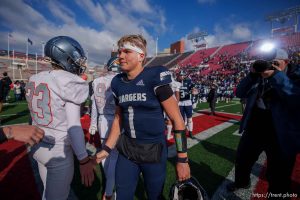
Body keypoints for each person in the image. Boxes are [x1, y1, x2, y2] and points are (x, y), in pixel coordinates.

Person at [95, 34, 191, 200]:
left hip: (153, 150)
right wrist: (106, 149)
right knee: (122, 196)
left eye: (126, 51)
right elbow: (118, 119)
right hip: (127, 149)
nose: (120, 56)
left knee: (155, 196)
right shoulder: (117, 82)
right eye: (119, 52)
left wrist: (182, 159)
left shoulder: (155, 76)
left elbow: (177, 120)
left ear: (141, 56)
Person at [25, 36, 95, 200]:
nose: (79, 62)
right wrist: (84, 160)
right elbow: (73, 126)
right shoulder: (69, 81)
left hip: (38, 144)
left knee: (47, 193)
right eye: (76, 57)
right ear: (66, 56)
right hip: (57, 149)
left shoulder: (36, 78)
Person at [227, 47, 300, 196]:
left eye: (274, 62)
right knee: (242, 159)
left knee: (279, 174)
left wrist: (276, 75)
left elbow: (296, 97)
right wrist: (252, 75)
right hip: (256, 124)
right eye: (267, 62)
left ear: (286, 62)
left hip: (281, 130)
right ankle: (242, 182)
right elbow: (239, 92)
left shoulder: (295, 74)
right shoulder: (258, 75)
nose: (269, 66)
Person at [89, 56, 120, 200]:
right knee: (113, 156)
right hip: (115, 120)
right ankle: (108, 193)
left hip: (101, 120)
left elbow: (94, 105)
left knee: (103, 151)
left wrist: (93, 123)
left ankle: (109, 183)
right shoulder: (120, 80)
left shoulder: (96, 81)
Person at [177, 71, 195, 139]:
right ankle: (183, 131)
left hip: (187, 101)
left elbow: (193, 88)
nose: (181, 76)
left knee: (189, 118)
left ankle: (190, 132)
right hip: (180, 102)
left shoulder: (188, 81)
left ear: (185, 75)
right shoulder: (176, 82)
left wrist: (193, 90)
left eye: (182, 75)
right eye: (180, 75)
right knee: (181, 119)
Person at [166, 73, 181, 140]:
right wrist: (177, 104)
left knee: (168, 119)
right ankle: (172, 135)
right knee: (175, 119)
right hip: (172, 102)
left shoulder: (164, 83)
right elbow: (177, 95)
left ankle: (168, 135)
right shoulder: (176, 83)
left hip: (165, 102)